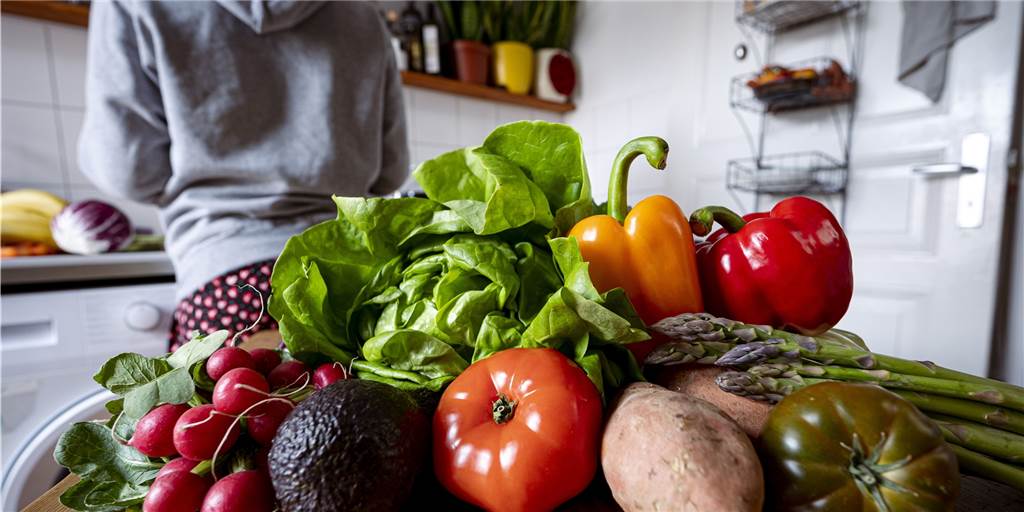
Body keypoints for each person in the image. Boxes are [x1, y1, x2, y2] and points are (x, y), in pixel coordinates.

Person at [78, 0, 409, 350]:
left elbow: (128, 170)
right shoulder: (361, 14)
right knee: (350, 406)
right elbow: (390, 172)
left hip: (227, 282)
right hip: (346, 284)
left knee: (228, 403)